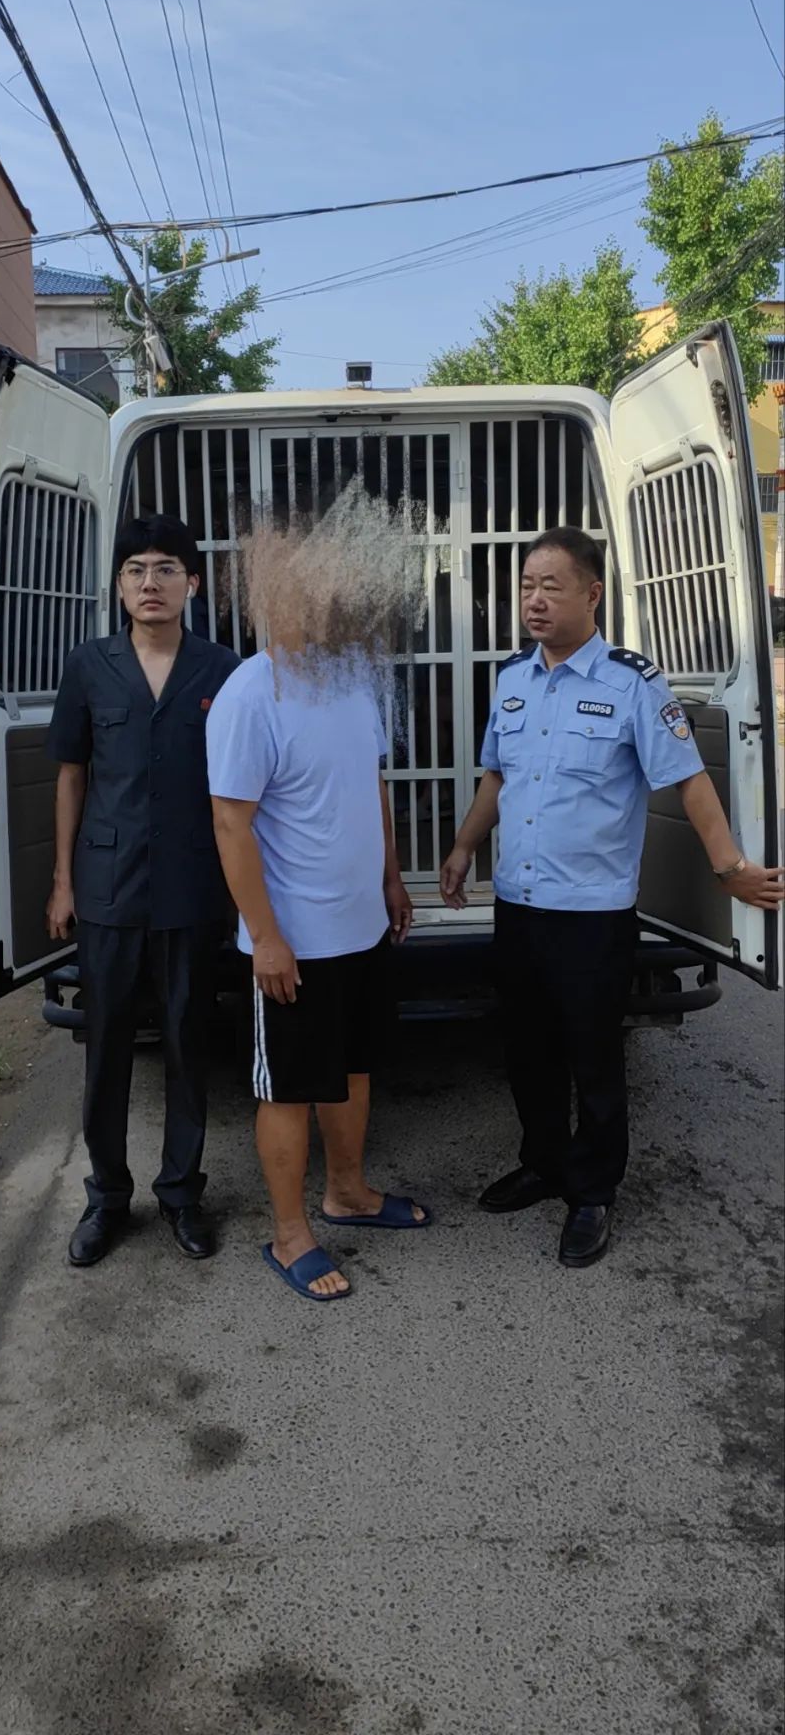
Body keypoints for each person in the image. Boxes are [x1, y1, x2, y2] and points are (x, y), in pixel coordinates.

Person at [440, 525, 784, 1270]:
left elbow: (687, 779)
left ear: (592, 594)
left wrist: (729, 867)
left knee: (592, 1057)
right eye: (526, 586)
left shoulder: (632, 684)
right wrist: (464, 847)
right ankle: (543, 1162)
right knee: (527, 1049)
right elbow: (497, 776)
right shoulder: (512, 679)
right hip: (520, 903)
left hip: (591, 914)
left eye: (550, 586)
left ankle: (592, 1192)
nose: (533, 600)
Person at [205, 492, 431, 1302]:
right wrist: (264, 937)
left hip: (360, 928)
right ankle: (289, 1233)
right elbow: (230, 825)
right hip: (292, 943)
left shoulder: (353, 681)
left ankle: (348, 1193)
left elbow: (371, 786)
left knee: (355, 1070)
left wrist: (390, 878)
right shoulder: (249, 695)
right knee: (291, 1090)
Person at [46, 514, 238, 1268]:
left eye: (164, 569)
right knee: (108, 1048)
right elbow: (71, 777)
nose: (149, 583)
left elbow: (241, 787)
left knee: (190, 1042)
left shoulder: (221, 670)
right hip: (109, 888)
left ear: (192, 582)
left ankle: (182, 1194)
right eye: (135, 570)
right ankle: (106, 1198)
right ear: (119, 586)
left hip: (192, 887)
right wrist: (63, 882)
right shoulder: (90, 666)